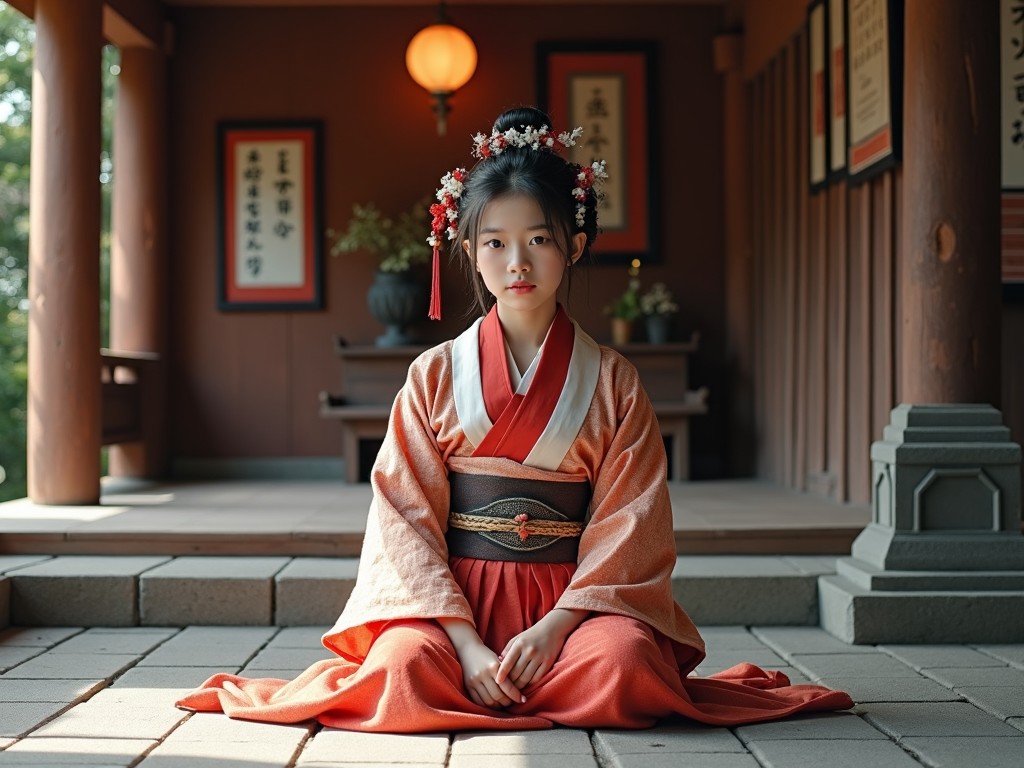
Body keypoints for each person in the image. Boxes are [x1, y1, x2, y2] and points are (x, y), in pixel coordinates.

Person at [175, 106, 853, 731]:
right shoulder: (433, 375)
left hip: (576, 608)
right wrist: (467, 644)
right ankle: (476, 677)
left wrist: (557, 628)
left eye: (539, 239)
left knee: (620, 665)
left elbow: (630, 524)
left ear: (576, 245)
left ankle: (526, 677)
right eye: (494, 243)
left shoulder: (614, 383)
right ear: (467, 250)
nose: (518, 262)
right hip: (453, 607)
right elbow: (402, 519)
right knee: (403, 667)